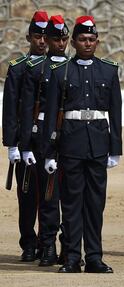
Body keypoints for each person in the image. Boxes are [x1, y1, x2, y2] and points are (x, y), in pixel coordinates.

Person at [43, 15, 122, 273]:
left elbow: (116, 113)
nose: (87, 43)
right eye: (82, 39)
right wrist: (49, 152)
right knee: (71, 203)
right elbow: (52, 114)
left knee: (95, 204)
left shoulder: (108, 71)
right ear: (74, 42)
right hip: (71, 143)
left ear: (97, 41)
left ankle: (95, 258)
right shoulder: (61, 71)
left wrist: (116, 148)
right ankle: (72, 258)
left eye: (91, 39)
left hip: (98, 143)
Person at [19, 14, 70, 267]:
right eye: (55, 38)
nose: (60, 43)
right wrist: (23, 144)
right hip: (42, 138)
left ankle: (69, 245)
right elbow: (26, 109)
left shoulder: (74, 68)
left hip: (71, 138)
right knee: (47, 195)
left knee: (71, 195)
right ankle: (46, 244)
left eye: (64, 38)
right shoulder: (35, 69)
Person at [2, 10, 49, 262]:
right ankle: (28, 242)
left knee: (51, 195)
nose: (42, 41)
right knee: (28, 194)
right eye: (37, 36)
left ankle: (47, 242)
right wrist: (12, 144)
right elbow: (10, 108)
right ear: (29, 37)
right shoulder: (18, 68)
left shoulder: (60, 66)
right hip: (26, 142)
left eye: (45, 36)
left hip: (50, 140)